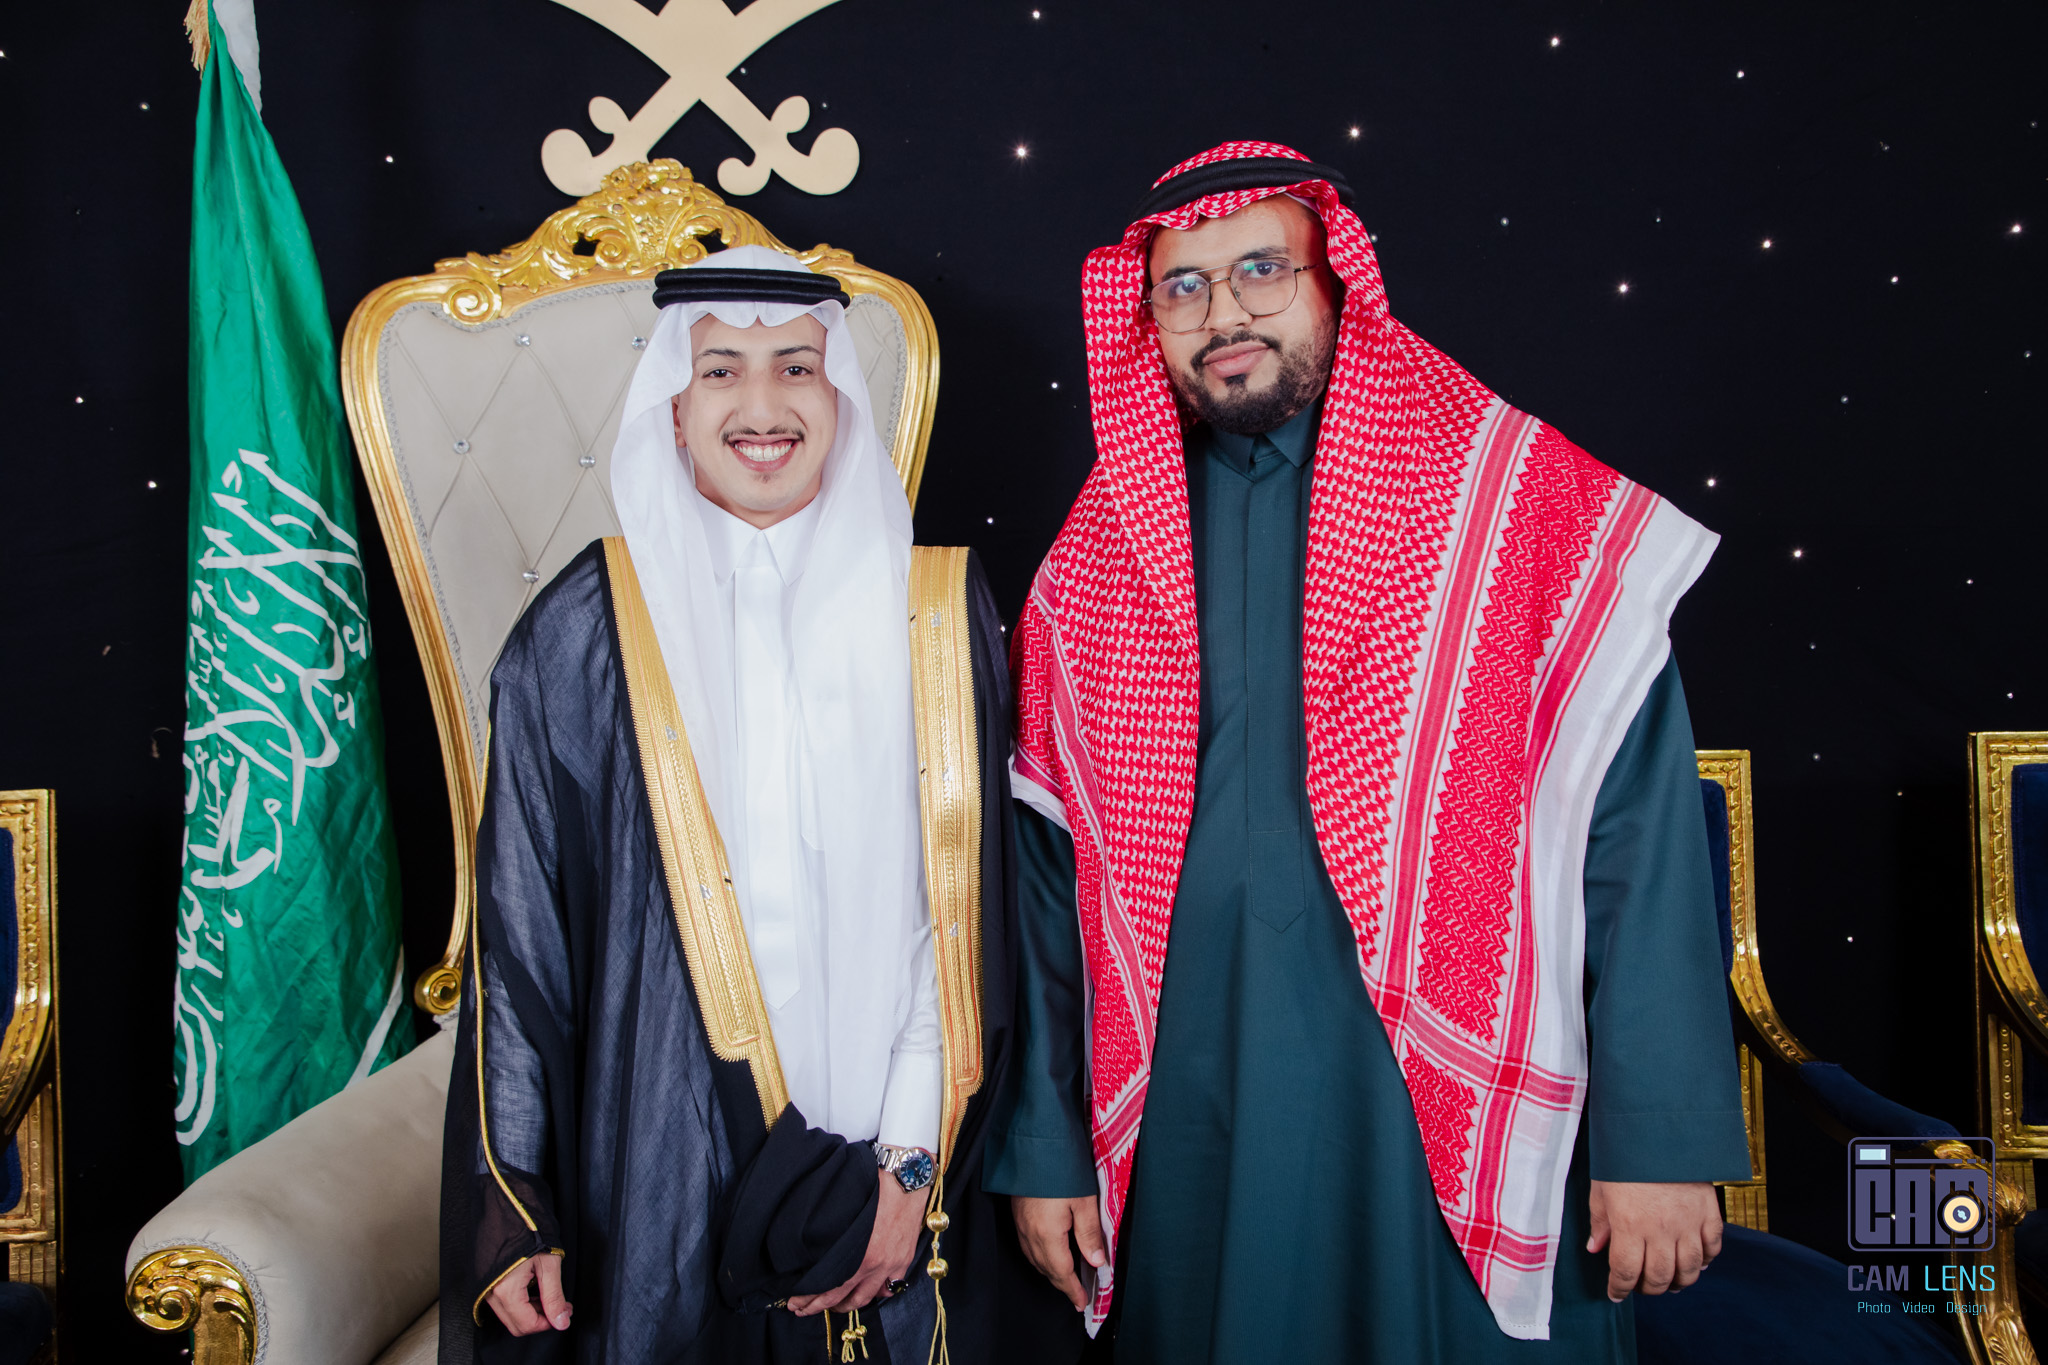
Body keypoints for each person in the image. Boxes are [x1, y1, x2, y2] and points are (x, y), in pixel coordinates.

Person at [987, 142, 1752, 1362]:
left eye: (1259, 270)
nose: (1222, 313)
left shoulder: (1508, 501)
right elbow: (1044, 890)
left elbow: (1637, 828)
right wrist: (1044, 1147)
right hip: (1191, 1108)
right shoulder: (1092, 565)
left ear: (1336, 281)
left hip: (1439, 1099)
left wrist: (1658, 1139)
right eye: (1182, 287)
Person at [439, 246, 1044, 1364]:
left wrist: (909, 1166)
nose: (761, 405)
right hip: (655, 1162)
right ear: (673, 410)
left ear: (840, 395)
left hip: (888, 1154)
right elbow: (521, 944)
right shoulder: (580, 633)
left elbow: (955, 930)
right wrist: (510, 1196)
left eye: (796, 368)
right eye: (719, 370)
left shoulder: (933, 610)